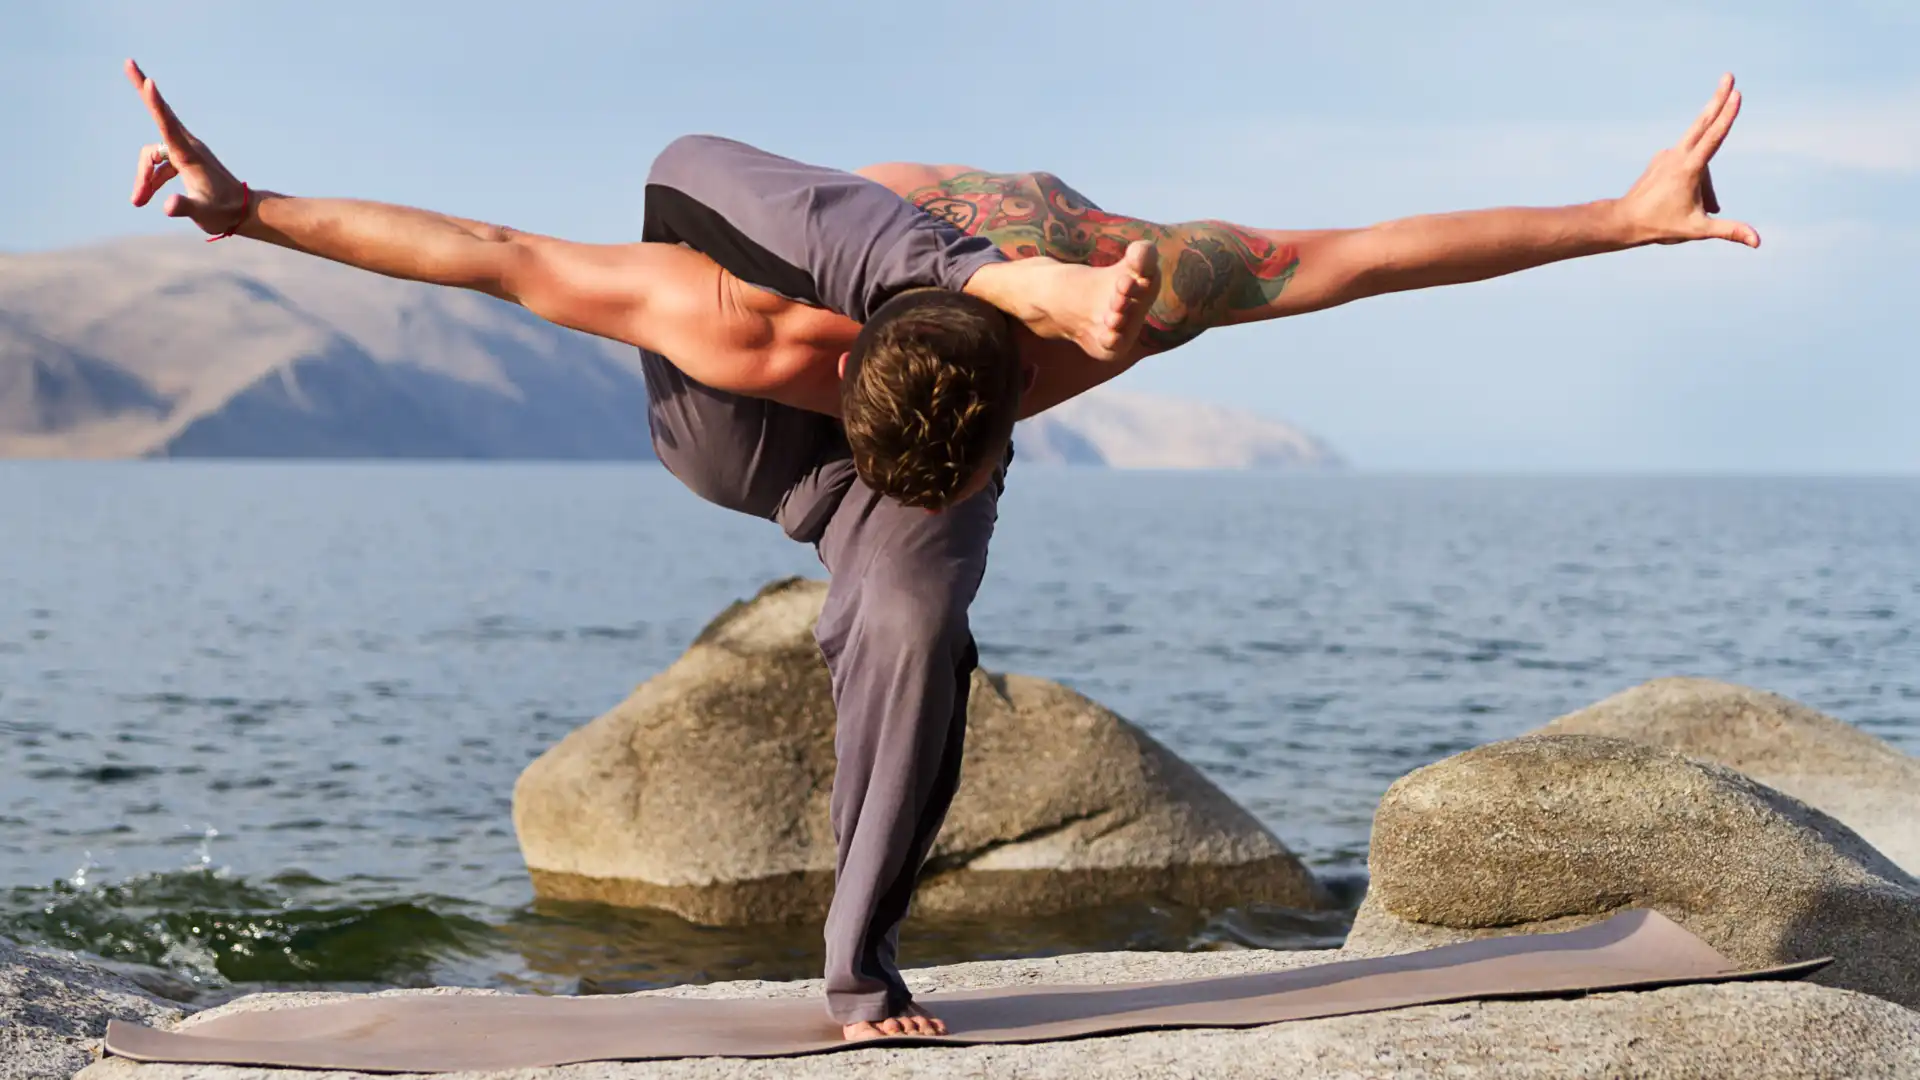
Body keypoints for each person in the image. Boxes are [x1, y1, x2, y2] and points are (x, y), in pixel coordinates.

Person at [123, 58, 1757, 1040]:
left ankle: (859, 962)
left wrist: (1623, 218)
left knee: (911, 621)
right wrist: (246, 202)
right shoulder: (733, 318)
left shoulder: (1128, 301)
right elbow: (478, 253)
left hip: (957, 342)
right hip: (749, 373)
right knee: (697, 169)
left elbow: (1358, 257)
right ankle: (854, 495)